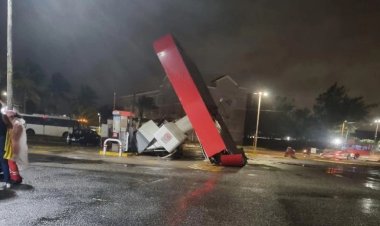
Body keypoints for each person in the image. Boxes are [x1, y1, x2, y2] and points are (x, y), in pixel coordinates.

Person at [0, 111, 11, 189]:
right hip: (3, 138)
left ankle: (7, 180)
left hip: (1, 138)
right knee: (3, 160)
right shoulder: (4, 116)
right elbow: (9, 126)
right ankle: (7, 181)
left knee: (3, 160)